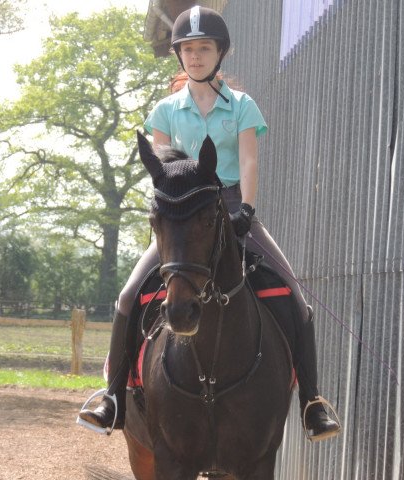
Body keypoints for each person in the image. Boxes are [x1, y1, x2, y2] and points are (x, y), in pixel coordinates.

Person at [78, 5, 340, 442]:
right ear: (179, 55)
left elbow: (250, 160)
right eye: (188, 49)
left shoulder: (242, 106)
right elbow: (161, 171)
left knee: (293, 293)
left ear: (221, 53)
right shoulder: (164, 111)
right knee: (128, 296)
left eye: (204, 48)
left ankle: (312, 403)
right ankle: (112, 398)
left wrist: (246, 211)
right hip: (182, 216)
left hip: (234, 206)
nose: (195, 56)